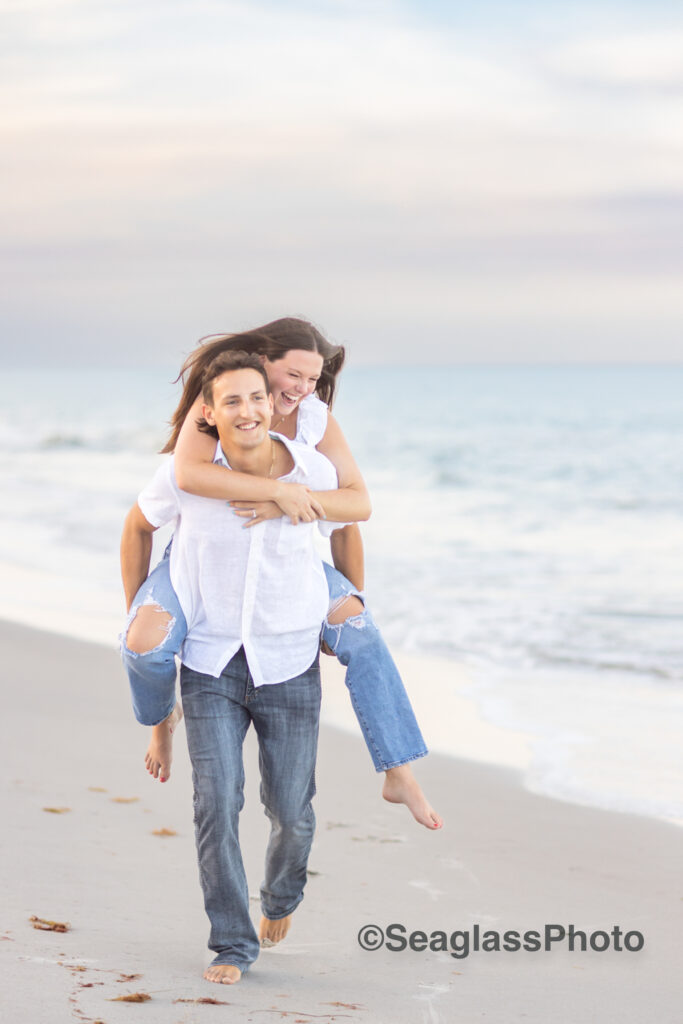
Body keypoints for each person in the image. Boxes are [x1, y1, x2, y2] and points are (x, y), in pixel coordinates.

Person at [121, 318, 442, 830]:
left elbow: (355, 505)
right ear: (262, 361)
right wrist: (275, 493)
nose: (301, 389)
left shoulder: (313, 419)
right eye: (293, 374)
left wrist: (295, 503)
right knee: (144, 644)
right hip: (199, 558)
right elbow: (187, 475)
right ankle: (161, 720)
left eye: (312, 379)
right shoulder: (221, 407)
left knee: (360, 632)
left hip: (287, 562)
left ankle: (398, 770)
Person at [121, 351, 342, 984]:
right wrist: (141, 606)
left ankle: (281, 896)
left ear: (274, 403)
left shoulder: (311, 468)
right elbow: (136, 527)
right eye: (231, 402)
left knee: (292, 812)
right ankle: (231, 944)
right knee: (216, 804)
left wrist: (343, 605)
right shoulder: (184, 476)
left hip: (290, 663)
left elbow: (352, 519)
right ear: (209, 415)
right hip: (211, 664)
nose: (248, 410)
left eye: (256, 397)